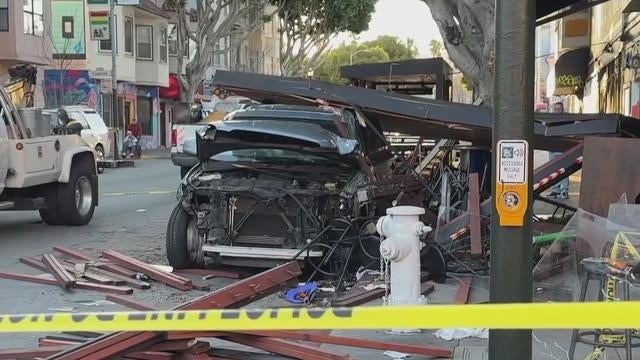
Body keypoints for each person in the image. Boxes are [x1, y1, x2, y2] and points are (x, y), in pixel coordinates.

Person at [549, 101, 570, 199]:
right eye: (556, 109)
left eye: (559, 109)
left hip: (562, 148)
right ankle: (555, 191)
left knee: (563, 170)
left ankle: (564, 191)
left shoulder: (568, 120)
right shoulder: (551, 120)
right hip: (552, 148)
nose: (557, 111)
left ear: (563, 110)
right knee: (553, 169)